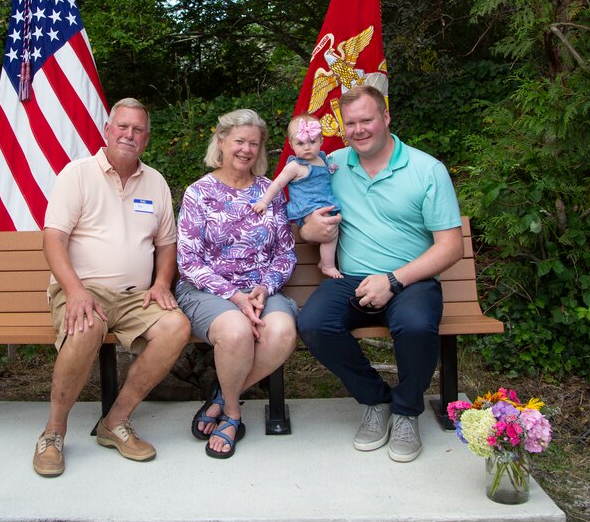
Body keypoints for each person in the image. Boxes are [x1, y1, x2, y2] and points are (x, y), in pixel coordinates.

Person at [296, 85, 464, 463]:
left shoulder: (426, 170)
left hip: (411, 280)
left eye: (367, 119)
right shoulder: (331, 165)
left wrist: (393, 280)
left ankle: (406, 411)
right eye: (350, 122)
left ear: (386, 118)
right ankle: (375, 400)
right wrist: (307, 231)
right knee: (314, 323)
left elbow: (451, 246)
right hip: (350, 279)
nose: (359, 129)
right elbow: (301, 218)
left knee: (417, 325)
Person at [32, 98, 191, 477]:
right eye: (122, 127)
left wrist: (162, 282)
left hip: (136, 296)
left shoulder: (155, 181)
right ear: (107, 130)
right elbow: (53, 239)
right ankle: (53, 432)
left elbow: (167, 244)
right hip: (83, 289)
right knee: (85, 326)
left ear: (147, 138)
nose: (129, 135)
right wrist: (74, 291)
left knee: (177, 327)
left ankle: (115, 422)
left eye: (138, 130)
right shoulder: (78, 174)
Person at [175, 109, 298, 459]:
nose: (246, 150)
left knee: (282, 332)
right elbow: (188, 261)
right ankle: (233, 414)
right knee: (235, 332)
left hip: (262, 289)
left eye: (254, 144)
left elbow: (285, 254)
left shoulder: (270, 192)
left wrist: (265, 287)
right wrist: (234, 296)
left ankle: (221, 396)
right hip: (209, 290)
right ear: (222, 141)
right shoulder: (199, 193)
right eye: (239, 141)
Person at [252, 113, 342, 278]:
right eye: (300, 143)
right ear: (292, 145)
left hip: (324, 203)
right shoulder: (295, 166)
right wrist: (264, 202)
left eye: (312, 142)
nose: (307, 147)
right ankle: (328, 264)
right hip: (306, 208)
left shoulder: (323, 159)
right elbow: (277, 184)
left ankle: (325, 261)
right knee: (329, 225)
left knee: (334, 225)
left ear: (321, 141)